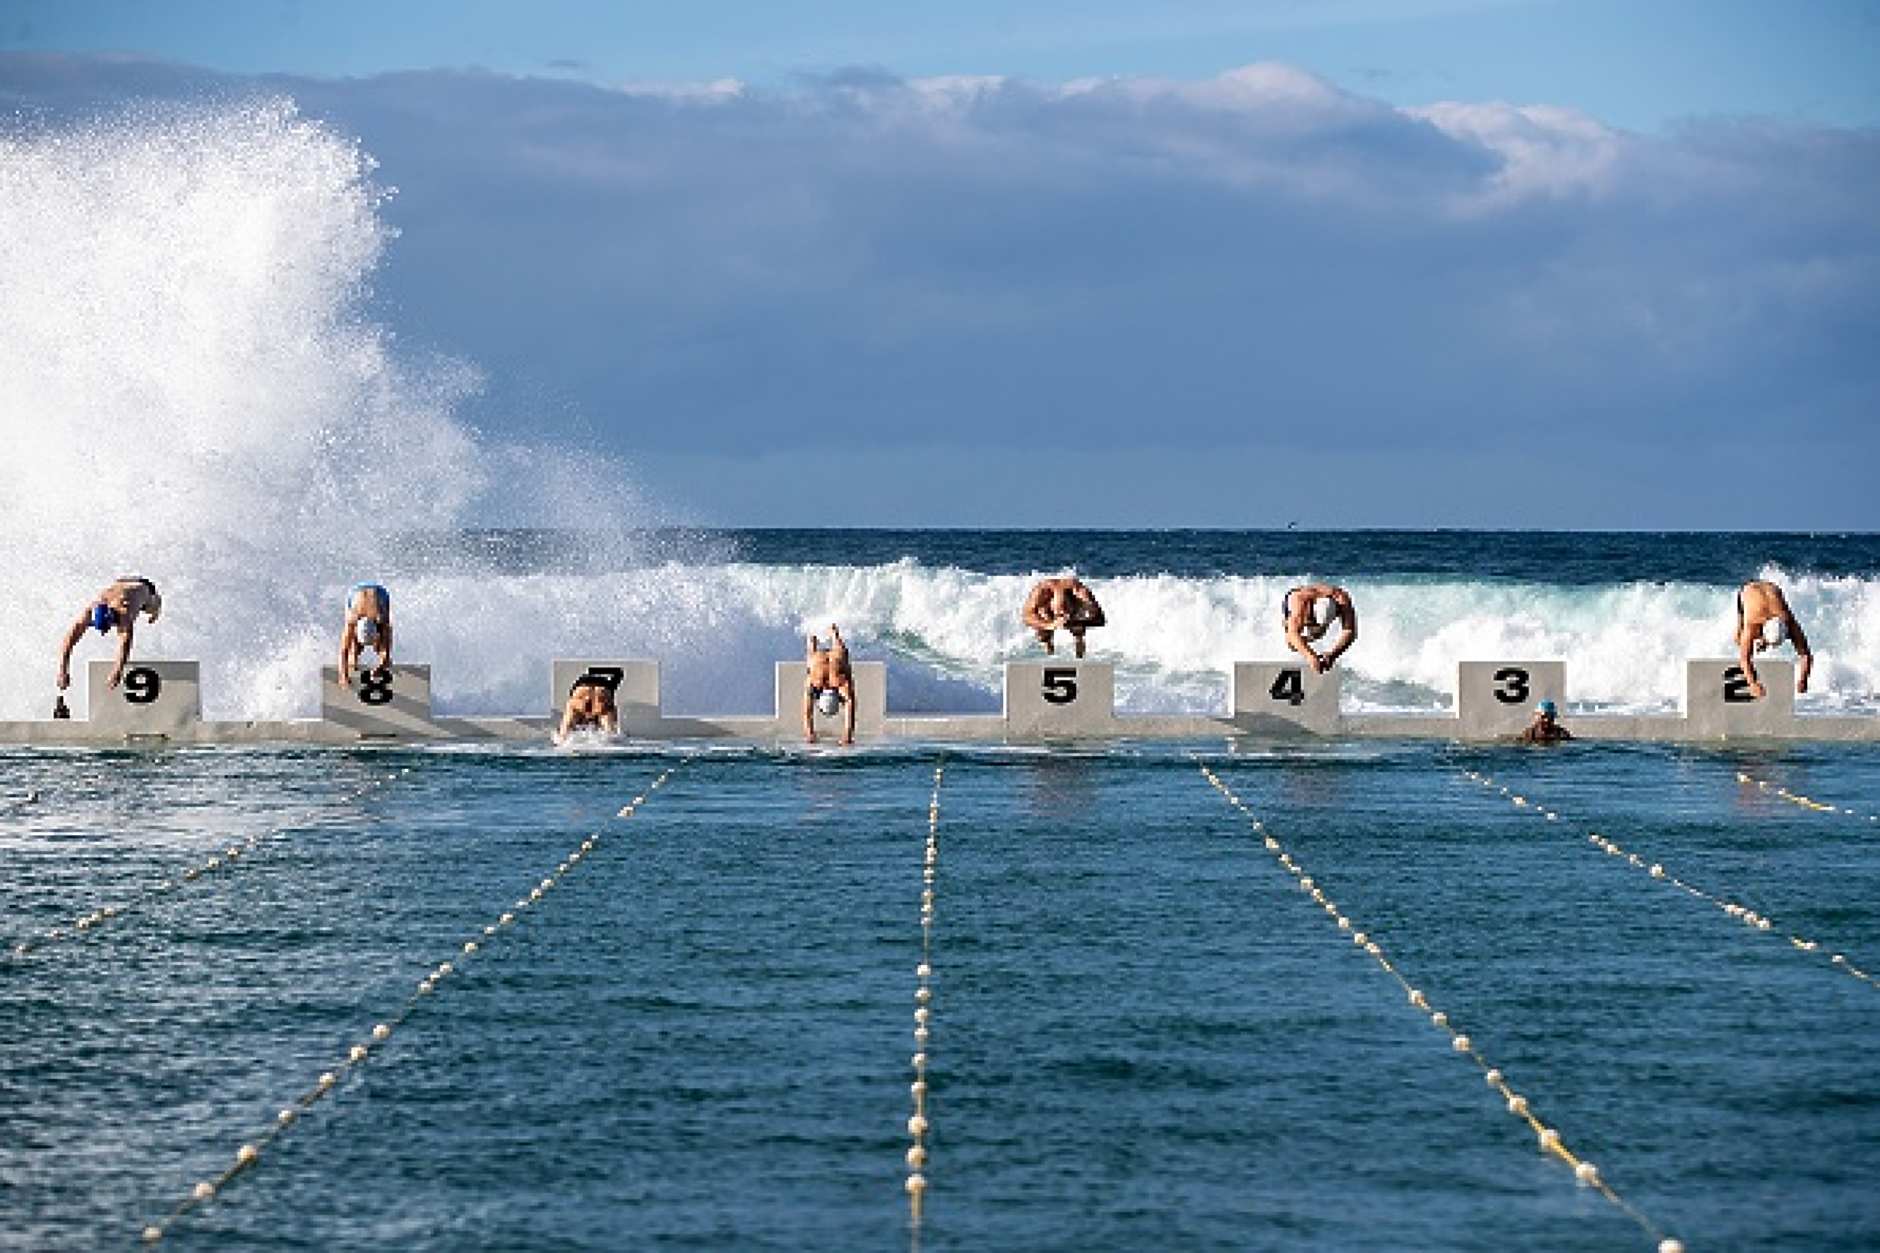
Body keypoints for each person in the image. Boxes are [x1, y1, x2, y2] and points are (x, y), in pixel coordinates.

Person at [56, 576, 162, 692]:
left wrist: (117, 671)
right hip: (120, 583)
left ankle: (156, 611)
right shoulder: (90, 611)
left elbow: (125, 644)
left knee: (153, 609)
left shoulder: (124, 614)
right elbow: (68, 640)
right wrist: (62, 670)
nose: (104, 633)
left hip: (144, 587)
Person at [1736, 579, 1812, 699]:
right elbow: (1744, 660)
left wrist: (1803, 679)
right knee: (1738, 639)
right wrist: (1753, 683)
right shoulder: (1752, 623)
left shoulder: (1789, 621)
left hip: (1771, 588)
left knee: (1757, 640)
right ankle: (1760, 642)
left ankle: (1764, 643)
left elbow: (1806, 655)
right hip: (1748, 590)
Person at [1021, 576, 1107, 658]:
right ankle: (1049, 651)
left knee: (1077, 627)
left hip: (1075, 614)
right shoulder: (1042, 590)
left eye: (1066, 609)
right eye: (1061, 611)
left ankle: (1079, 654)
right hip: (1047, 613)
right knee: (1043, 621)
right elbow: (1026, 616)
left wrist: (1079, 622)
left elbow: (1101, 619)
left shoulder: (1080, 592)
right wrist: (1049, 625)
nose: (1064, 614)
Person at [1281, 582, 1357, 674]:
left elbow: (1350, 631)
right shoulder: (1301, 602)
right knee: (1291, 643)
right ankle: (1302, 647)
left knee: (1317, 634)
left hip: (1318, 601)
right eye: (1313, 621)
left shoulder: (1342, 599)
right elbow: (1293, 634)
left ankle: (1305, 644)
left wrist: (1332, 655)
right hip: (1292, 601)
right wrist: (1311, 656)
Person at [805, 624, 856, 745]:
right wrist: (809, 733)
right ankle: (814, 637)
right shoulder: (815, 683)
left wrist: (847, 735)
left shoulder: (840, 683)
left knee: (838, 645)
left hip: (837, 657)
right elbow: (807, 712)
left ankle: (834, 633)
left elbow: (850, 703)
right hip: (817, 659)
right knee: (811, 654)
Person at [340, 583, 394, 689]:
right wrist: (344, 675)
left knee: (381, 649)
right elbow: (343, 650)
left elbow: (386, 650)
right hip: (355, 594)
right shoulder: (352, 620)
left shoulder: (382, 620)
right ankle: (354, 659)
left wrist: (381, 666)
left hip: (380, 593)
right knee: (354, 651)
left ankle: (382, 659)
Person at [555, 672, 620, 743]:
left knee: (562, 738)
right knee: (611, 737)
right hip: (602, 690)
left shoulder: (580, 715)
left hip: (581, 690)